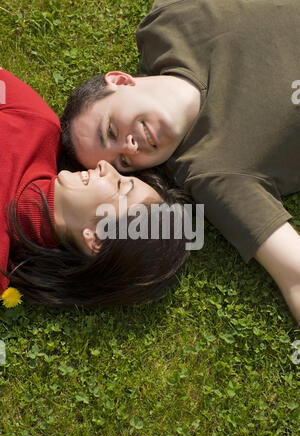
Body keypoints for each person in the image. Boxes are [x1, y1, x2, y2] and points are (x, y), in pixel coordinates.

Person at [60, 0, 300, 324]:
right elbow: (295, 274)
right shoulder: (213, 173)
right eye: (123, 164)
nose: (129, 147)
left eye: (112, 130)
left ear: (119, 80)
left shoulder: (164, 22)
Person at [0, 69, 190, 307]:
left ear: (98, 238)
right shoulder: (37, 125)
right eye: (121, 174)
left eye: (121, 186)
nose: (104, 166)